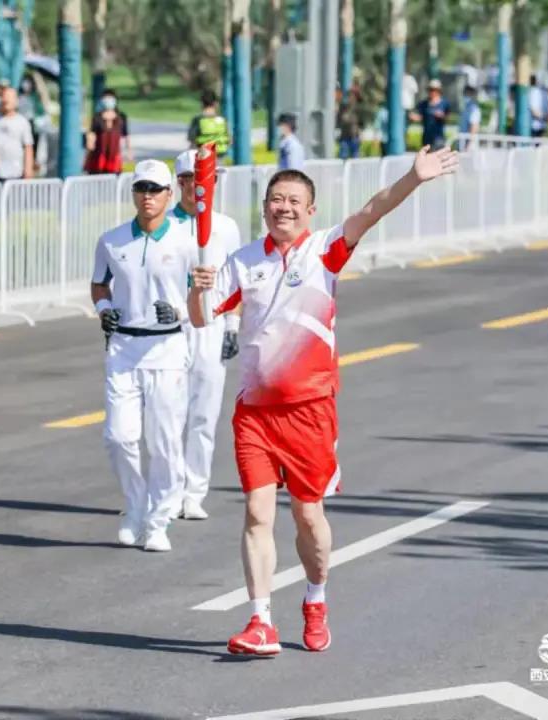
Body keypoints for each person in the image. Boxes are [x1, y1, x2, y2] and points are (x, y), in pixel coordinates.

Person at [187, 146, 460, 656]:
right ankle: (261, 621)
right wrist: (195, 287)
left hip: (310, 411)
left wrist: (414, 178)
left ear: (310, 210)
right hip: (255, 413)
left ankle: (315, 599)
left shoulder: (325, 249)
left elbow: (372, 210)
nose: (283, 207)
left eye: (293, 201)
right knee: (257, 513)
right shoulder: (243, 262)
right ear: (264, 208)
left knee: (307, 516)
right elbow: (202, 316)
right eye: (276, 200)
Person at [91, 160, 192, 553]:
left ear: (169, 194)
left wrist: (180, 312)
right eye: (141, 188)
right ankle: (135, 506)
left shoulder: (186, 241)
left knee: (164, 442)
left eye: (155, 189)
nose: (147, 196)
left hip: (167, 348)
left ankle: (158, 520)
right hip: (123, 348)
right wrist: (104, 310)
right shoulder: (112, 241)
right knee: (119, 437)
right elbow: (99, 284)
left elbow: (204, 295)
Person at [166, 149, 242, 520]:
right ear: (183, 182)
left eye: (212, 179)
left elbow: (234, 281)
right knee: (169, 416)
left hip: (211, 327)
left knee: (204, 416)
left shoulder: (226, 227)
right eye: (201, 180)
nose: (209, 186)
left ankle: (194, 493)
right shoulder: (165, 226)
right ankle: (168, 491)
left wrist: (233, 326)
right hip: (173, 329)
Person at [0, 87, 35, 181]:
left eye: (9, 97)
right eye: (4, 97)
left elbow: (28, 147)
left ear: (16, 101)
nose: (6, 100)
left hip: (16, 173)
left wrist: (28, 169)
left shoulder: (22, 122)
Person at [85, 89, 130, 175]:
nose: (108, 101)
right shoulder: (97, 118)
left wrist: (129, 152)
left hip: (114, 155)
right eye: (106, 98)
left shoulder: (121, 117)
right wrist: (88, 152)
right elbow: (91, 136)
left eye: (110, 98)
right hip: (99, 155)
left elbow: (126, 135)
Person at [410, 79, 451, 151]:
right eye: (430, 90)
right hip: (426, 138)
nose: (432, 92)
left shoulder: (444, 103)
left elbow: (448, 118)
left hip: (438, 137)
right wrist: (414, 117)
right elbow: (419, 116)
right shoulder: (424, 103)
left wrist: (442, 116)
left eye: (434, 90)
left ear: (439, 91)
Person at [188, 89, 231, 157]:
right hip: (220, 154)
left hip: (202, 155)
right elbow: (229, 140)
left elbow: (191, 139)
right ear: (215, 103)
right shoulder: (222, 120)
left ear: (202, 103)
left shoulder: (197, 120)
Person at [337, 86, 368, 160]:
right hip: (344, 136)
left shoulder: (359, 108)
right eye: (349, 95)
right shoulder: (343, 107)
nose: (350, 97)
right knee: (343, 156)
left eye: (352, 95)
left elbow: (362, 123)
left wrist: (361, 133)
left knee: (355, 157)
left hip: (354, 137)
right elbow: (340, 120)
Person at [458, 84, 481, 149]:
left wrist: (468, 144)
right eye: (465, 93)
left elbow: (474, 127)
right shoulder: (466, 108)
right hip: (463, 142)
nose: (465, 95)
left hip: (469, 145)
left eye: (467, 94)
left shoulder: (474, 109)